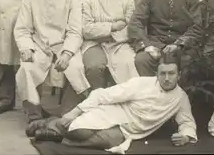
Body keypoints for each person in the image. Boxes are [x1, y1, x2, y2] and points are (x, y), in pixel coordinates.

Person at [27, 53, 197, 154]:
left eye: (171, 74)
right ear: (157, 73)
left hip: (126, 131)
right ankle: (47, 123)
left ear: (179, 75)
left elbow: (187, 121)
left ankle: (57, 136)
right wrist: (75, 112)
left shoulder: (180, 98)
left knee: (107, 142)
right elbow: (103, 95)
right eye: (163, 73)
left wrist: (185, 135)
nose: (166, 78)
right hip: (112, 113)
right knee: (80, 131)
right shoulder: (141, 84)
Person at [14, 0, 90, 124]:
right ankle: (34, 114)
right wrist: (26, 48)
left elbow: (75, 31)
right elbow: (22, 29)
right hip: (39, 45)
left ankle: (69, 113)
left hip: (64, 44)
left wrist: (67, 53)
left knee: (76, 67)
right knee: (26, 68)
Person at [127, 0, 202, 76]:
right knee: (142, 60)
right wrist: (147, 46)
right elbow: (136, 23)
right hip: (156, 45)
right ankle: (150, 94)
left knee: (192, 62)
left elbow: (198, 25)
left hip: (182, 47)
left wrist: (180, 44)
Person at [81, 0, 139, 91]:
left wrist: (105, 32)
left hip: (119, 43)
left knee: (130, 63)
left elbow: (130, 27)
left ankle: (120, 102)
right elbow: (86, 29)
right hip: (94, 44)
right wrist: (112, 27)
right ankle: (96, 100)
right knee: (94, 66)